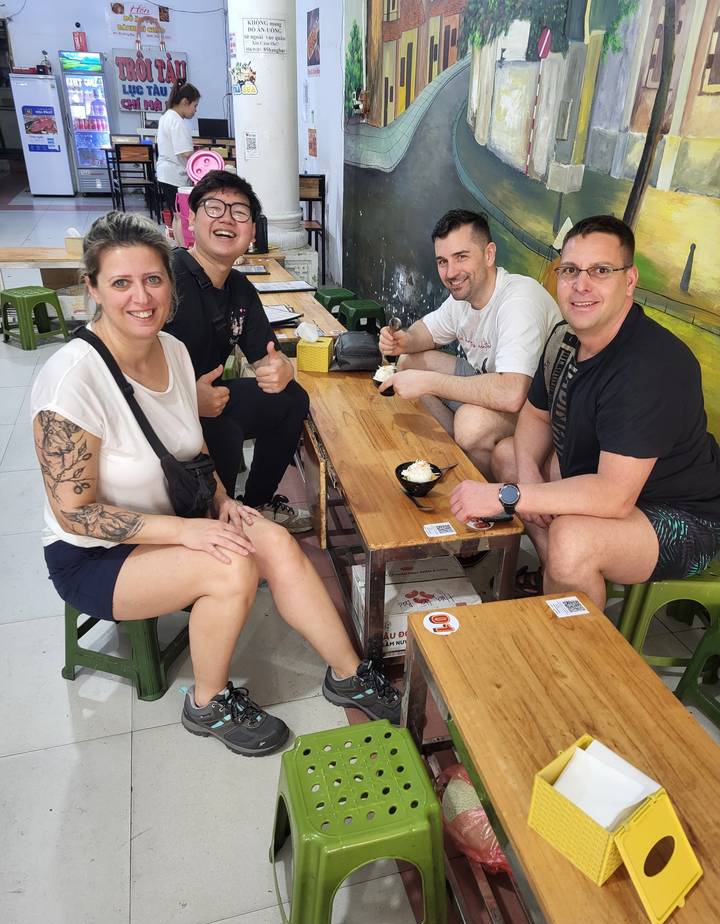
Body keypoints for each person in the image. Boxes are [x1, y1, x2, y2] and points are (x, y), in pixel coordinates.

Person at [31, 211, 400, 757]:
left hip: (173, 520)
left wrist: (223, 502)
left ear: (169, 284)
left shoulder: (173, 352)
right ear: (93, 289)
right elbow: (75, 514)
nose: (141, 297)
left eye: (153, 280)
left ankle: (347, 673)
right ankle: (206, 702)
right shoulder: (71, 381)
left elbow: (193, 448)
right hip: (96, 554)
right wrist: (186, 534)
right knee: (232, 567)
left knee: (273, 540)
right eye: (121, 282)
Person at [449, 215, 720, 608]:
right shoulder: (566, 339)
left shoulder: (651, 366)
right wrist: (527, 480)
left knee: (572, 540)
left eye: (601, 271)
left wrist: (508, 497)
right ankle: (556, 583)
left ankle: (574, 657)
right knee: (510, 455)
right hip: (611, 479)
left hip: (684, 514)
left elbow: (613, 497)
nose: (581, 285)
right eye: (571, 270)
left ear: (629, 280)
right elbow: (536, 416)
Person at [168, 169, 312, 532]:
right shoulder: (167, 278)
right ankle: (220, 524)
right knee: (224, 434)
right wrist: (186, 399)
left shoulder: (239, 287)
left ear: (251, 231)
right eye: (214, 207)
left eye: (240, 212)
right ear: (192, 218)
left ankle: (257, 505)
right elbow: (126, 370)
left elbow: (268, 357)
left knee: (291, 399)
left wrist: (283, 370)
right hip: (161, 410)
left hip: (211, 401)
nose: (227, 219)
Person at [378, 209, 562, 477]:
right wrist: (403, 341)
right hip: (492, 381)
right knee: (408, 362)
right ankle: (457, 457)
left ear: (489, 254)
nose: (451, 272)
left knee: (471, 424)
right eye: (442, 261)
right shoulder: (461, 299)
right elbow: (426, 332)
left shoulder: (519, 301)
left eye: (461, 257)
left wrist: (428, 382)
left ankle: (486, 491)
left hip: (536, 408)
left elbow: (512, 393)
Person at [156, 79, 200, 215]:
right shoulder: (177, 121)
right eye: (195, 106)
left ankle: (176, 237)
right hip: (174, 176)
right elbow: (186, 153)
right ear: (185, 102)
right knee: (182, 215)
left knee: (176, 214)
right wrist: (200, 155)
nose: (195, 111)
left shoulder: (166, 116)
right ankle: (180, 237)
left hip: (165, 174)